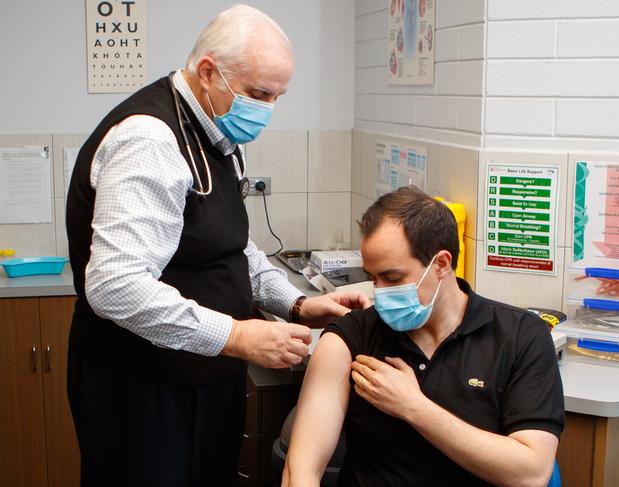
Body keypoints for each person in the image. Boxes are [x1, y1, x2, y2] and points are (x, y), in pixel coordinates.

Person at [65, 5, 368, 486]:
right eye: (259, 94)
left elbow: (232, 247)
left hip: (203, 376)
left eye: (277, 96)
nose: (267, 109)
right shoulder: (151, 138)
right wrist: (239, 336)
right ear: (208, 72)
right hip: (145, 388)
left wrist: (297, 304)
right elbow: (114, 286)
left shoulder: (217, 131)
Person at [283, 187, 564, 487]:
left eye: (392, 278)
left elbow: (531, 474)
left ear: (441, 264)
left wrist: (413, 407)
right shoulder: (352, 338)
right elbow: (300, 472)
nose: (379, 292)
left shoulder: (520, 337)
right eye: (372, 278)